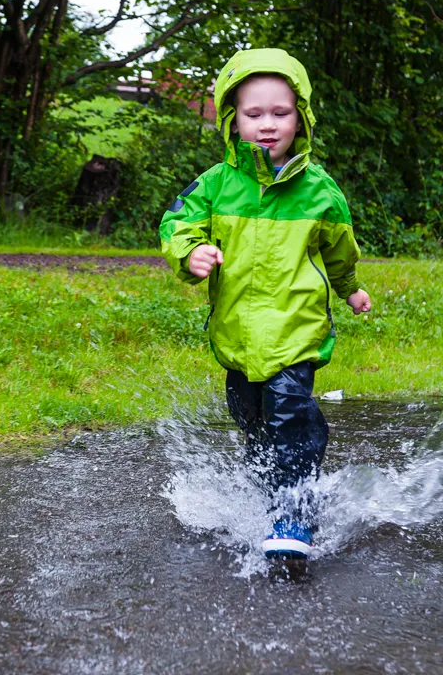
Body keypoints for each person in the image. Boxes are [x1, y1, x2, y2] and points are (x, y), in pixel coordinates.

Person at [159, 48, 372, 560]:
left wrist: (349, 288)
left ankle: (295, 515)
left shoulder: (320, 190)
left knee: (291, 414)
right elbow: (176, 224)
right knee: (252, 418)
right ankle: (273, 491)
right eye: (254, 114)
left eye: (281, 112)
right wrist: (191, 253)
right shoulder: (214, 184)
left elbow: (340, 247)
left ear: (302, 117)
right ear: (233, 120)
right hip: (237, 334)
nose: (269, 124)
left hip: (295, 329)